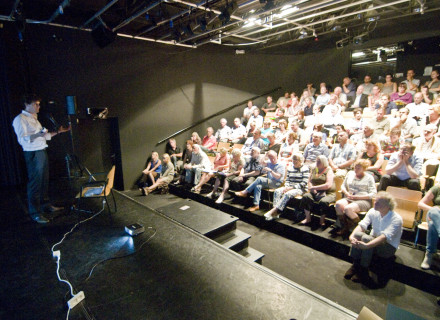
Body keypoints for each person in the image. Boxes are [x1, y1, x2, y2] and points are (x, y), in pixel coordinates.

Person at [12, 94, 70, 223]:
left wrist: (58, 132)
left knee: (44, 180)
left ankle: (45, 205)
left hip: (41, 150)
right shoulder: (20, 119)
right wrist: (39, 133)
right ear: (26, 105)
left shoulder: (35, 118)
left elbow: (44, 136)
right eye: (35, 104)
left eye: (38, 104)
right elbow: (23, 139)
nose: (38, 107)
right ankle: (35, 213)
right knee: (35, 183)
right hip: (33, 153)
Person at [344, 192, 402, 285]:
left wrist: (367, 245)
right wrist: (351, 237)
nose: (375, 203)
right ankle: (356, 265)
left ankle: (363, 270)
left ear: (387, 205)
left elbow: (384, 237)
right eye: (375, 201)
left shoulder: (396, 219)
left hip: (388, 247)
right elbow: (362, 225)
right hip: (373, 239)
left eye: (378, 202)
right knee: (358, 235)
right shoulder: (372, 211)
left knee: (367, 239)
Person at [335, 159, 377, 238]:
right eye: (355, 168)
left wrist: (358, 197)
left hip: (363, 200)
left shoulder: (369, 177)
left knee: (348, 209)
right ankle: (345, 226)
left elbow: (373, 194)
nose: (356, 170)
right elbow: (343, 186)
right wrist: (346, 193)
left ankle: (358, 228)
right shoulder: (350, 174)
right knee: (338, 205)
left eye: (358, 168)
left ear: (364, 169)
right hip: (350, 197)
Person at [264, 153, 310, 221]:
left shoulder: (305, 169)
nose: (294, 161)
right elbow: (287, 179)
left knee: (287, 194)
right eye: (293, 159)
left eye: (296, 159)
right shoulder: (290, 168)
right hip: (289, 186)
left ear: (300, 160)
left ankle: (273, 211)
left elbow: (304, 183)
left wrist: (291, 188)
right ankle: (276, 213)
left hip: (300, 188)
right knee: (277, 191)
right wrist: (286, 187)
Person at [299, 155, 335, 229]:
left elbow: (328, 185)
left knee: (324, 201)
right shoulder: (315, 169)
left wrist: (315, 187)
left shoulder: (329, 170)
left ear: (323, 162)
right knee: (306, 196)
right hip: (315, 191)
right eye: (316, 161)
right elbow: (309, 181)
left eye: (319, 161)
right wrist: (311, 188)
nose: (317, 163)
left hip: (328, 193)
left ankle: (322, 220)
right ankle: (308, 218)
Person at [418, 183, 440, 269]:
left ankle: (429, 254)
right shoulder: (437, 188)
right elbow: (420, 204)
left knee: (432, 225)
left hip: (434, 222)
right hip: (435, 215)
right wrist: (434, 209)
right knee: (434, 212)